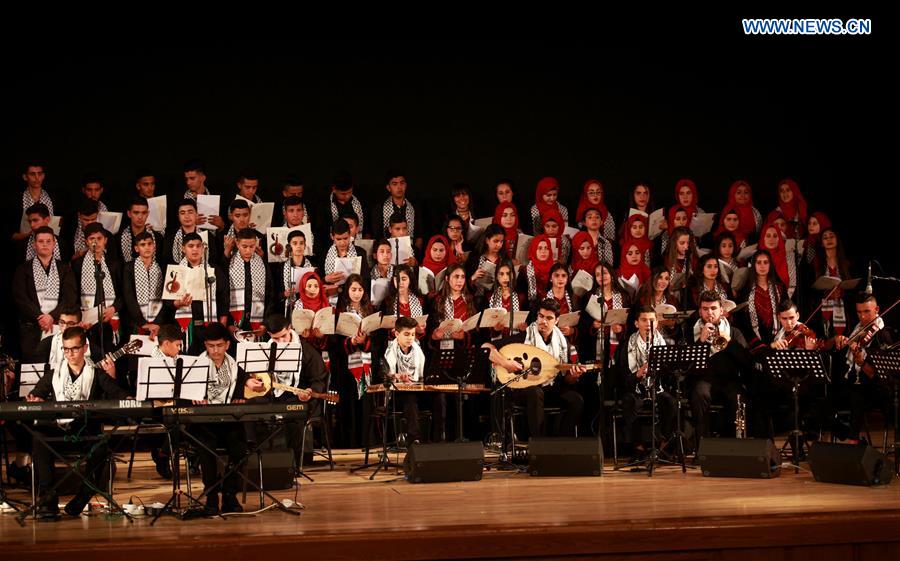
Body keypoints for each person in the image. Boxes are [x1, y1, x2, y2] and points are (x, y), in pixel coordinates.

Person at [27, 326, 126, 519]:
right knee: (39, 437)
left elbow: (117, 392)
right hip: (60, 432)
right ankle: (48, 498)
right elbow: (36, 394)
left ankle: (85, 494)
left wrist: (129, 397)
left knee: (101, 446)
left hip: (86, 433)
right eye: (66, 349)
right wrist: (35, 400)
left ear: (85, 348)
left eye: (74, 348)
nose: (70, 354)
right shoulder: (54, 374)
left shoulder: (96, 373)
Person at [483, 298, 586, 438]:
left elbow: (567, 380)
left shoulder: (563, 344)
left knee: (576, 400)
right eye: (541, 316)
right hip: (525, 391)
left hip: (551, 389)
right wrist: (506, 363)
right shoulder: (525, 337)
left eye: (549, 318)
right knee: (535, 392)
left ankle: (561, 442)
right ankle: (539, 444)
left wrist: (573, 376)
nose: (543, 321)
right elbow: (487, 347)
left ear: (556, 320)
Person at [192, 323, 253, 514]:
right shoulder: (194, 366)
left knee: (240, 448)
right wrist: (193, 396)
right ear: (205, 345)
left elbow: (244, 386)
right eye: (211, 346)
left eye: (219, 345)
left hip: (228, 420)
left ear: (227, 345)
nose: (215, 350)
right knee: (205, 447)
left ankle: (229, 494)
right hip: (204, 422)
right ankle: (211, 495)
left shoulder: (236, 366)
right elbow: (185, 392)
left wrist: (244, 392)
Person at [689, 291, 755, 443]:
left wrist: (730, 343)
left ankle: (736, 444)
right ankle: (702, 444)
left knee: (738, 397)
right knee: (699, 394)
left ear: (721, 311)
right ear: (700, 311)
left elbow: (747, 362)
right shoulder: (690, 331)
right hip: (704, 379)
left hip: (729, 380)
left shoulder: (734, 331)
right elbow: (688, 364)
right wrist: (701, 341)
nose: (709, 313)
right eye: (705, 309)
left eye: (713, 308)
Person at [12, 226, 75, 362]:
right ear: (34, 245)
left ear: (54, 244)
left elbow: (69, 298)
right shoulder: (23, 269)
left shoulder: (64, 268)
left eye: (48, 241)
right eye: (41, 241)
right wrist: (40, 317)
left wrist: (51, 317)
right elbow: (20, 298)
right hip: (31, 327)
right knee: (32, 368)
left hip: (58, 326)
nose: (45, 244)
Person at [622, 307, 674, 460]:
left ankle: (664, 446)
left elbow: (671, 375)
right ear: (636, 323)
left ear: (657, 323)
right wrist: (638, 373)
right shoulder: (627, 344)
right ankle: (638, 447)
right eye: (644, 320)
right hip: (636, 387)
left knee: (671, 402)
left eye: (651, 320)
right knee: (629, 402)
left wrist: (662, 370)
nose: (647, 324)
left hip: (657, 387)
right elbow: (623, 377)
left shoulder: (666, 343)